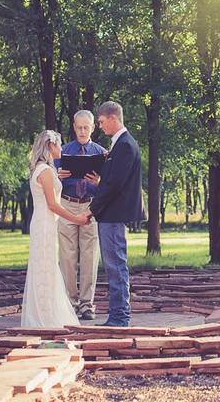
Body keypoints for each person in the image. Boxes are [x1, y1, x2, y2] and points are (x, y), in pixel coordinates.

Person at [21, 129, 91, 328]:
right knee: (45, 267)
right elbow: (52, 204)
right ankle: (45, 315)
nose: (61, 148)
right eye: (59, 144)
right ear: (51, 146)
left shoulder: (43, 169)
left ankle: (45, 311)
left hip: (44, 222)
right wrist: (76, 219)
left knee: (46, 266)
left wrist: (56, 176)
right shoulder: (45, 171)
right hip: (45, 223)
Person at [84, 101, 143, 327]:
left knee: (116, 266)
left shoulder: (125, 145)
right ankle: (118, 316)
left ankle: (120, 318)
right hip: (111, 214)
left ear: (112, 118)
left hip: (113, 215)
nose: (100, 126)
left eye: (100, 122)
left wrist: (91, 210)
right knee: (115, 265)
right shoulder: (120, 145)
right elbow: (112, 180)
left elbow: (114, 185)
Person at [55, 110, 106, 320]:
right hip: (67, 205)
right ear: (74, 127)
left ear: (93, 128)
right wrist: (57, 176)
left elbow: (111, 186)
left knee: (89, 256)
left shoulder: (103, 153)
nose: (83, 131)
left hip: (91, 207)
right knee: (67, 257)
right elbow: (48, 184)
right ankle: (70, 302)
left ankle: (87, 304)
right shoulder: (62, 151)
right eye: (79, 127)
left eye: (87, 127)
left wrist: (99, 182)